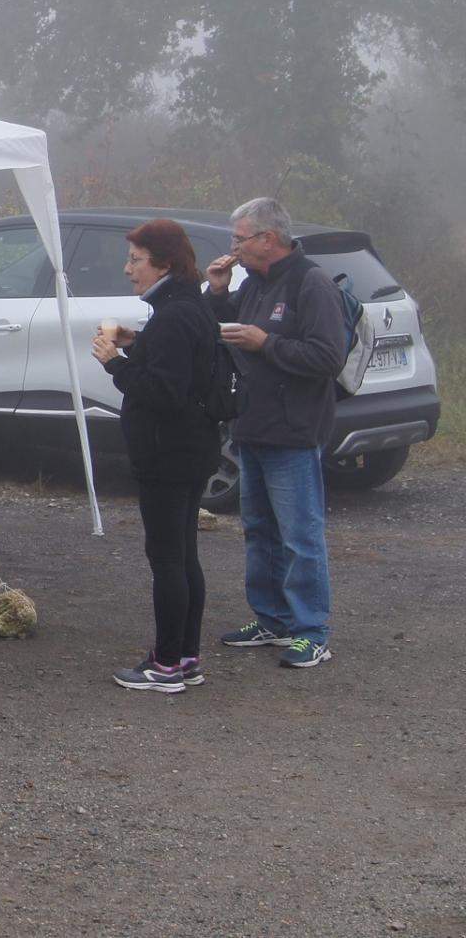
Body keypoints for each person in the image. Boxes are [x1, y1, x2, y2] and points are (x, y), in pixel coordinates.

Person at [204, 196, 346, 670]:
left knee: (299, 535)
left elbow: (328, 358)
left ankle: (312, 631)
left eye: (239, 239)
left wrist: (268, 343)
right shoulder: (254, 283)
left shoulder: (312, 283)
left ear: (268, 239)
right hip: (252, 425)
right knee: (259, 530)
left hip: (293, 428)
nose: (234, 247)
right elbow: (221, 326)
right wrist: (219, 292)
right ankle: (271, 618)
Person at [92, 220, 221, 693]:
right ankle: (185, 657)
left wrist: (114, 363)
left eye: (135, 260)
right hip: (192, 448)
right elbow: (178, 362)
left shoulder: (174, 313)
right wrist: (135, 343)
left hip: (169, 453)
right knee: (184, 555)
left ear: (163, 262)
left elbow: (165, 392)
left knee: (167, 559)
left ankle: (166, 665)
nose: (128, 270)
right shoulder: (190, 304)